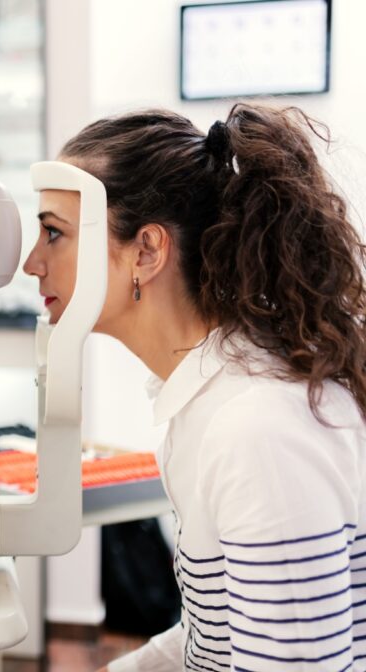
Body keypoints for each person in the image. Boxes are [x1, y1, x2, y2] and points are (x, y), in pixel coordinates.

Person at [23, 103, 366, 671]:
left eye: (54, 234)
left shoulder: (258, 427)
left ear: (148, 251)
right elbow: (214, 636)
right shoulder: (206, 401)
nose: (33, 263)